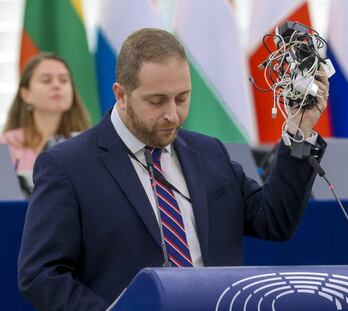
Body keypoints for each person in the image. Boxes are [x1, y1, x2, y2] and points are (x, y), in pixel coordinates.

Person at [18, 28, 329, 310]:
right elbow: (41, 274)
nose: (172, 115)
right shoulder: (67, 165)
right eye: (157, 101)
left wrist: (299, 130)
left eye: (182, 98)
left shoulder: (210, 153)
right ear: (121, 95)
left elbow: (274, 221)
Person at [0, 53, 90, 173]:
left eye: (63, 80)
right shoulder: (5, 145)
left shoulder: (88, 144)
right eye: (46, 80)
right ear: (25, 94)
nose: (57, 85)